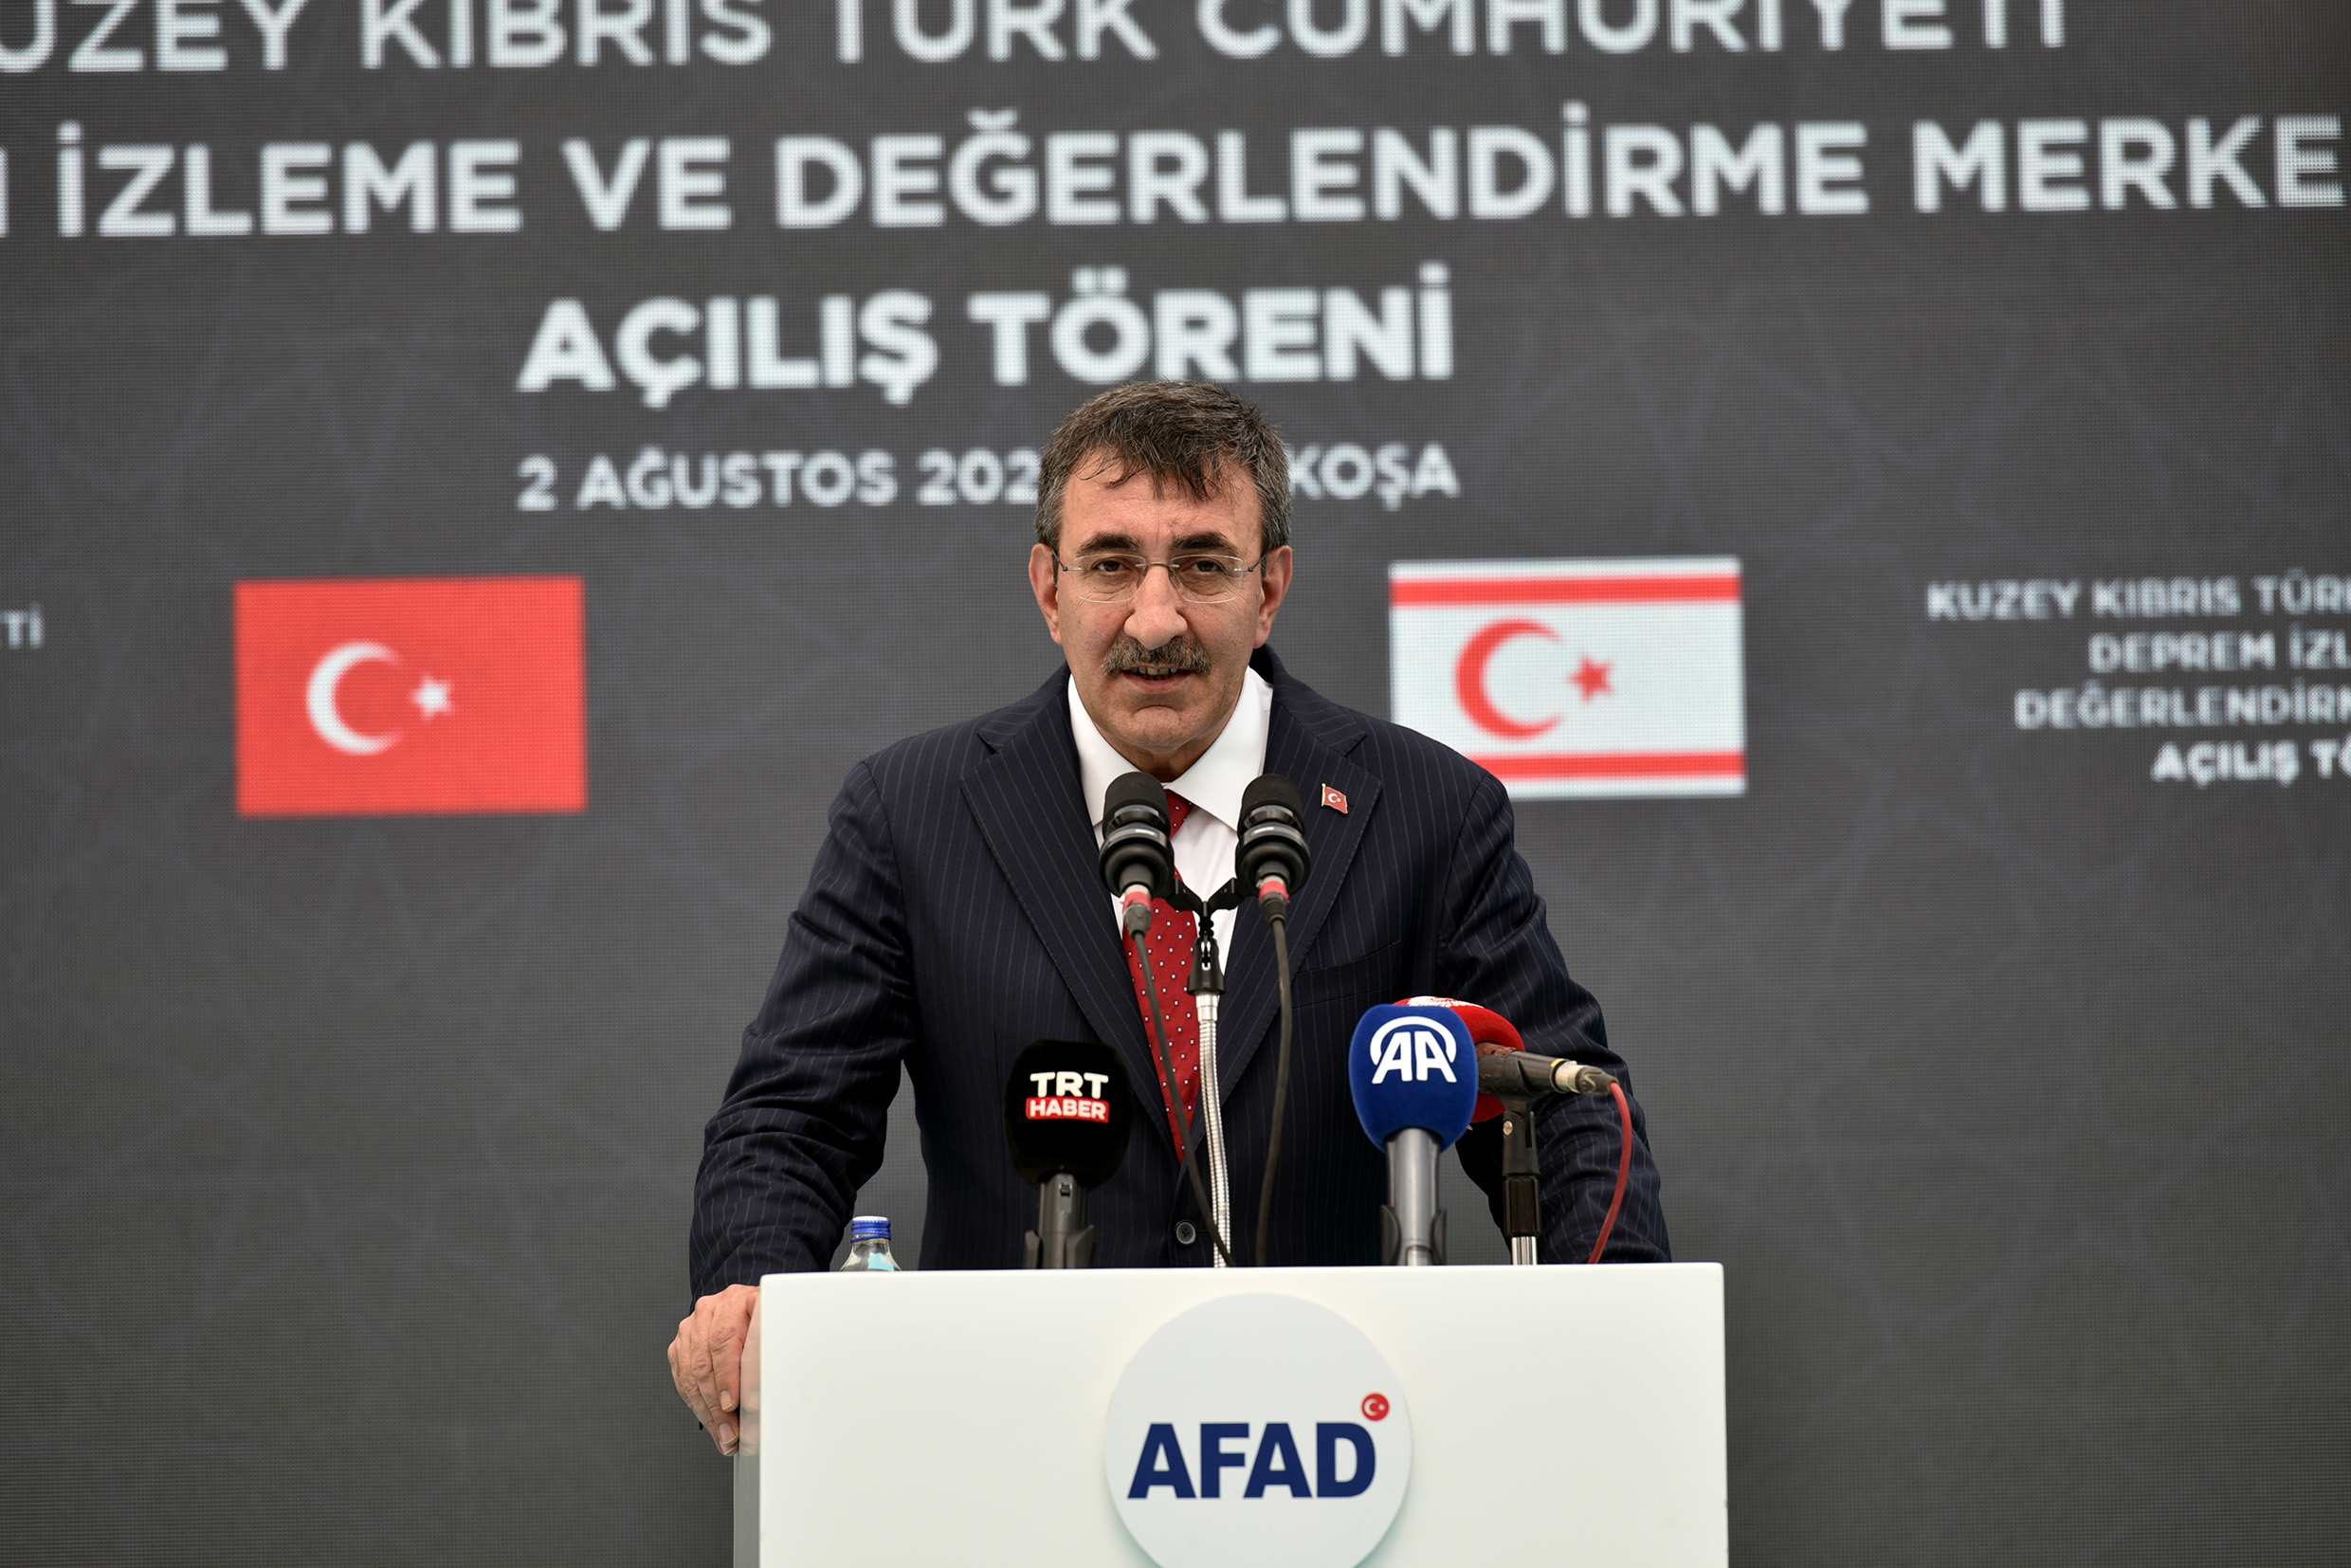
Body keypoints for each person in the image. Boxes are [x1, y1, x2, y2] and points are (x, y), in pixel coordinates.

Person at [668, 381, 1669, 1452]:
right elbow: (793, 1117)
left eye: (1201, 565)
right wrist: (748, 1289)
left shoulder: (1425, 808)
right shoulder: (912, 812)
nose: (1155, 620)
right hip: (1013, 1440)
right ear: (1047, 589)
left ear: (1268, 588)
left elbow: (1561, 1105)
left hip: (1339, 1445)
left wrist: (1613, 1338)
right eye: (1110, 565)